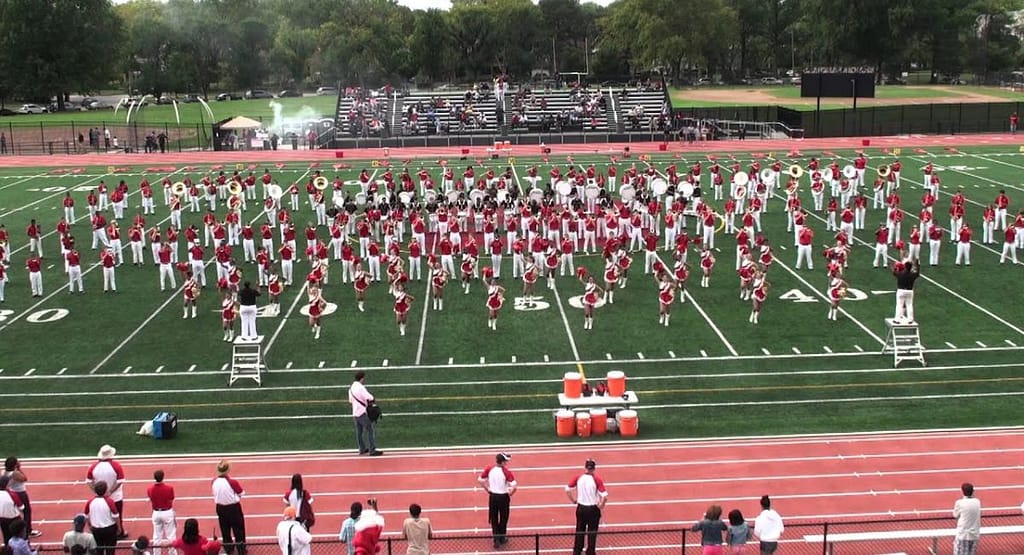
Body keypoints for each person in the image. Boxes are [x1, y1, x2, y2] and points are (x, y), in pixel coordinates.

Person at [565, 459, 608, 555]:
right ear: (594, 469)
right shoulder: (597, 479)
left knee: (580, 530)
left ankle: (577, 550)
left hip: (581, 508)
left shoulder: (579, 477)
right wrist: (601, 505)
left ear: (585, 468)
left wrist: (573, 500)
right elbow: (605, 496)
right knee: (592, 532)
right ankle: (590, 551)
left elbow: (567, 489)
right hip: (592, 509)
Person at [87, 445, 127, 539]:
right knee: (117, 515)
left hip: (99, 497)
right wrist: (110, 491)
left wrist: (96, 491)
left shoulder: (94, 466)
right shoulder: (116, 465)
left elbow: (88, 481)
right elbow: (120, 480)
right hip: (116, 496)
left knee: (102, 515)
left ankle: (102, 533)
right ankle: (119, 532)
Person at [478, 453, 517, 548]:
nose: (507, 463)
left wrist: (487, 489)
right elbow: (514, 486)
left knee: (494, 518)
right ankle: (502, 537)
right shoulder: (506, 472)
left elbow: (480, 480)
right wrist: (510, 493)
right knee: (504, 518)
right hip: (503, 497)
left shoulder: (489, 469)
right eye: (506, 461)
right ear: (503, 462)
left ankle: (496, 539)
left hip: (493, 496)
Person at [212, 461, 246, 555]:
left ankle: (228, 548)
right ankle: (241, 549)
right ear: (228, 470)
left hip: (220, 508)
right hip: (233, 508)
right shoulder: (232, 482)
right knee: (238, 529)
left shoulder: (214, 481)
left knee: (225, 529)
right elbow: (241, 493)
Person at [3, 458, 39, 538]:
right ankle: (27, 530)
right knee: (26, 511)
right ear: (14, 465)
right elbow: (24, 478)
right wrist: (19, 468)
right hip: (20, 493)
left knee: (18, 512)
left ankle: (19, 530)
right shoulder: (15, 473)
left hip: (13, 492)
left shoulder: (4, 472)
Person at [349, 371, 382, 456]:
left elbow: (350, 400)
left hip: (355, 412)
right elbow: (369, 397)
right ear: (362, 378)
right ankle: (372, 450)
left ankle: (362, 449)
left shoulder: (351, 388)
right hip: (362, 412)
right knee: (370, 430)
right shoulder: (360, 387)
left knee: (359, 432)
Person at [83, 482, 119, 555]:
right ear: (105, 491)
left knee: (99, 550)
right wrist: (119, 527)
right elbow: (115, 516)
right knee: (110, 550)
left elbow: (86, 515)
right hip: (110, 529)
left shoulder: (90, 502)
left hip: (96, 529)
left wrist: (89, 525)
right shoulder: (109, 501)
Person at [146, 470, 176, 555]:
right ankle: (172, 553)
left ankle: (157, 553)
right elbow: (171, 498)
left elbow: (151, 498)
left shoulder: (150, 489)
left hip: (156, 512)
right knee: (171, 535)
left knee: (157, 535)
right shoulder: (169, 488)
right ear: (163, 477)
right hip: (167, 512)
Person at [953, 482, 981, 555]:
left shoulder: (959, 503)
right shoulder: (977, 502)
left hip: (963, 534)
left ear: (962, 492)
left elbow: (955, 515)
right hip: (974, 534)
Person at [893, 258, 920, 324]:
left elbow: (894, 273)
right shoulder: (912, 275)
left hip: (901, 290)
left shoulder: (900, 274)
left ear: (905, 267)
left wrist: (895, 267)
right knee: (909, 305)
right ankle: (910, 319)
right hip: (910, 291)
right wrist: (917, 265)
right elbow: (917, 273)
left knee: (899, 305)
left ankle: (897, 319)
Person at [0, 476, 22, 544]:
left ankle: (8, 550)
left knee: (6, 537)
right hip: (14, 519)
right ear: (7, 484)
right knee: (18, 537)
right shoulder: (12, 494)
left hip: (2, 519)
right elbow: (21, 507)